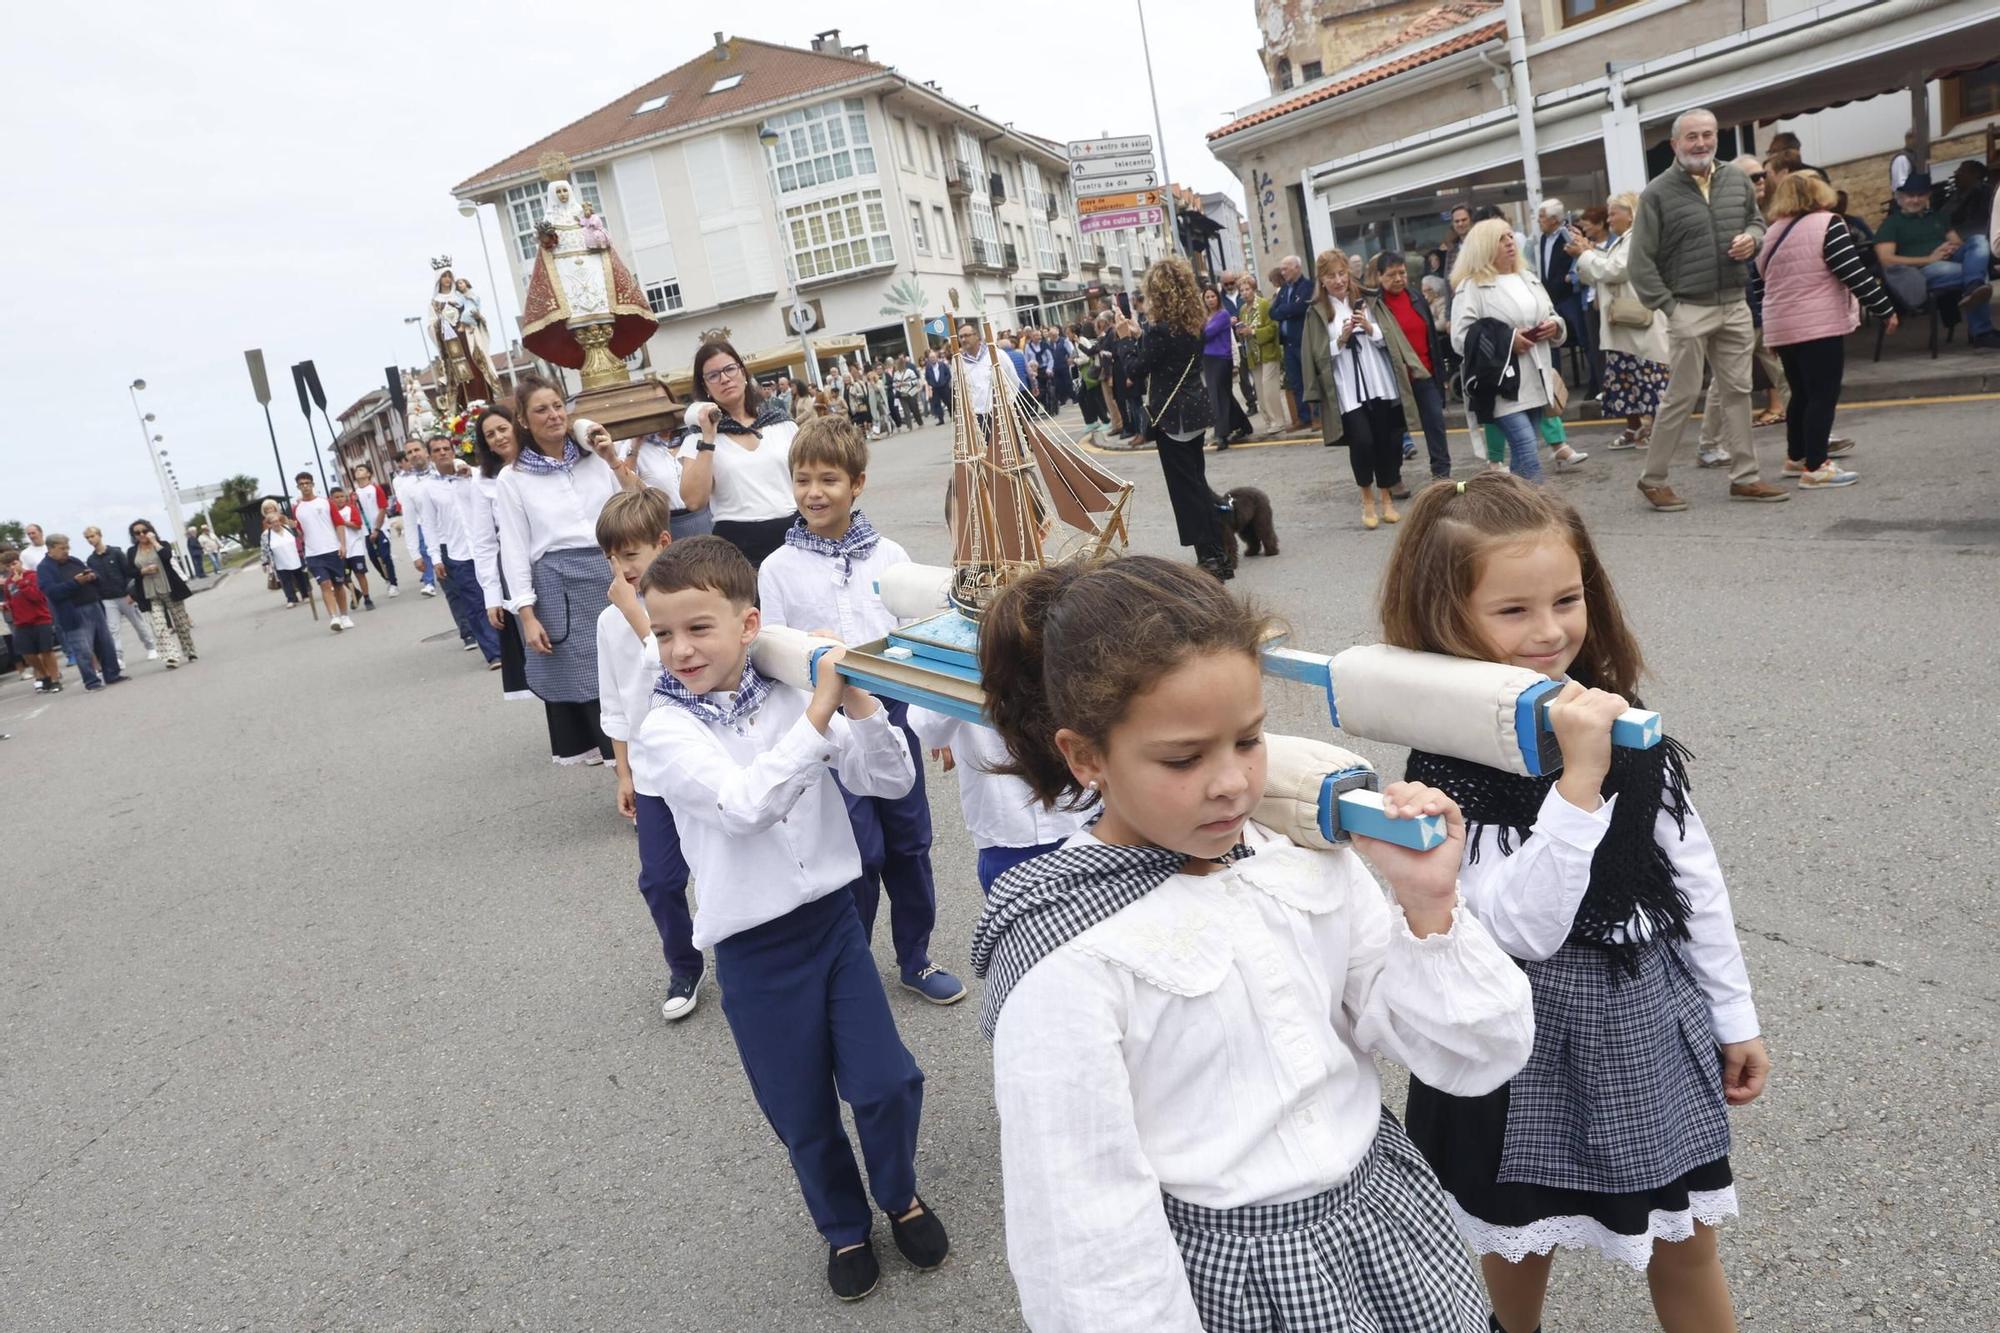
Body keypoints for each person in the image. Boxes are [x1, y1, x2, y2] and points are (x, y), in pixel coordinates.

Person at [974, 555, 1534, 1331]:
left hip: (1390, 1228)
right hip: (1235, 1289)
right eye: (1184, 757)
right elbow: (1084, 1234)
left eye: (1249, 738)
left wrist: (1428, 902)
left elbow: (1476, 1052)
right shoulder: (1066, 956)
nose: (1233, 782)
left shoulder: (1296, 852)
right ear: (1086, 755)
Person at [1380, 473, 1769, 1333]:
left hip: (1640, 1012)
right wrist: (1579, 782)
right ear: (1447, 613)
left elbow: (1693, 877)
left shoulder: (1619, 717)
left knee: (1685, 1238)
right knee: (1518, 1243)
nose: (1550, 629)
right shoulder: (1448, 757)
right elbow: (1524, 926)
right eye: (1512, 610)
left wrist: (1734, 1015)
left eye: (1566, 598)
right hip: (1515, 1030)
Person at [632, 535, 948, 1302]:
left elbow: (888, 776)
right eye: (664, 632)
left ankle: (898, 1192)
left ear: (750, 625)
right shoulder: (665, 729)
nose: (680, 648)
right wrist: (819, 706)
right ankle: (844, 1225)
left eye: (698, 627)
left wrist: (858, 695)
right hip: (753, 949)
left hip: (834, 925)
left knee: (887, 1081)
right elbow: (745, 806)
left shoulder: (788, 692)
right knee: (802, 1112)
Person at [757, 417, 965, 1006]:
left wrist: (935, 719)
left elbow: (920, 637)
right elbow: (770, 651)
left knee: (909, 842)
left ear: (858, 484)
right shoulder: (777, 568)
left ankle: (916, 958)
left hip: (894, 712)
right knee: (860, 849)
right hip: (829, 723)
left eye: (828, 479)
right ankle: (852, 962)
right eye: (802, 480)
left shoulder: (890, 556)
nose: (814, 492)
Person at [1627, 108, 1789, 510]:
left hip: (1734, 302)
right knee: (1681, 396)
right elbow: (1639, 262)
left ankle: (1745, 477)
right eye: (1692, 136)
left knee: (1738, 392)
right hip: (1688, 306)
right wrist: (1670, 307)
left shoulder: (1735, 178)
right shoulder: (1657, 193)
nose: (1701, 143)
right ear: (1675, 144)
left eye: (1708, 135)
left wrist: (1752, 239)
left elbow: (1756, 222)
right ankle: (1653, 479)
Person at [593, 487, 705, 1022]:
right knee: (659, 879)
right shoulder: (608, 620)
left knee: (721, 868)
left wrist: (637, 613)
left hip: (704, 762)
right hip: (653, 773)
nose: (622, 569)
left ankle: (741, 950)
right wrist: (623, 772)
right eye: (612, 558)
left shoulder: (692, 604)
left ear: (663, 543)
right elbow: (615, 701)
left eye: (631, 555)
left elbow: (671, 667)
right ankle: (684, 964)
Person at [494, 375, 640, 767]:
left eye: (558, 406)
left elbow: (634, 505)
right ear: (523, 420)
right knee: (591, 679)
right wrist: (526, 615)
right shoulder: (513, 478)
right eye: (541, 410)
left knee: (634, 663)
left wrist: (611, 458)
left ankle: (650, 768)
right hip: (559, 583)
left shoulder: (594, 457)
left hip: (611, 570)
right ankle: (622, 772)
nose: (553, 415)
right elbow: (514, 549)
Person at [1757, 172, 1896, 488]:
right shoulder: (1828, 224)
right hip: (1817, 323)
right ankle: (1817, 466)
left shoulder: (1770, 232)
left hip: (1781, 324)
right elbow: (1851, 270)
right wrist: (1883, 307)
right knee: (1822, 394)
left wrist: (1769, 328)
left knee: (1801, 393)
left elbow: (1759, 283)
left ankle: (1797, 456)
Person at [1300, 249, 1418, 527]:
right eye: (1331, 276)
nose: (1339, 280)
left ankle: (1386, 500)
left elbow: (1390, 340)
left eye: (1342, 273)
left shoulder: (1368, 300)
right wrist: (1340, 339)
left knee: (1386, 441)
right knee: (1362, 443)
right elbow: (1316, 355)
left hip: (1378, 381)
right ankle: (1367, 501)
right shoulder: (1317, 312)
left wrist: (1369, 327)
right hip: (1347, 388)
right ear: (1322, 280)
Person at [1450, 218, 1569, 484]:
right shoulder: (1471, 287)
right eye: (1500, 239)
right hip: (1500, 384)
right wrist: (1508, 339)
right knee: (1525, 444)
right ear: (1483, 247)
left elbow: (1551, 314)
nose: (1509, 242)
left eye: (1510, 236)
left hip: (1535, 377)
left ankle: (1515, 503)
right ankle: (1536, 503)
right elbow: (1460, 338)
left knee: (1525, 447)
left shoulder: (1528, 278)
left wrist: (1555, 326)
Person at [1131, 257, 1227, 580]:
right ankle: (1219, 552)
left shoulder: (1159, 332)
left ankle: (1210, 559)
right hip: (1195, 411)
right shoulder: (1194, 325)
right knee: (1197, 482)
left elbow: (1136, 369)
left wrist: (1126, 340)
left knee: (1186, 491)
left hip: (1172, 417)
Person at [675, 340, 801, 567]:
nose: (724, 379)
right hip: (738, 546)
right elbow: (694, 500)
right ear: (705, 387)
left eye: (729, 369)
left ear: (743, 372)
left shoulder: (781, 424)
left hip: (794, 535)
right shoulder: (698, 438)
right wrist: (708, 438)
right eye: (713, 375)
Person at [1573, 192, 1671, 451]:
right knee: (1626, 380)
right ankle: (1635, 428)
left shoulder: (1637, 237)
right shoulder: (1622, 240)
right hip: (1623, 323)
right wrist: (1586, 254)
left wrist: (1586, 255)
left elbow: (1614, 270)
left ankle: (1657, 432)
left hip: (1639, 321)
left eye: (1613, 213)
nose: (1609, 219)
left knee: (1648, 378)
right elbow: (1597, 273)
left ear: (1630, 214)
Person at [1874, 172, 1998, 349]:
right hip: (1920, 271)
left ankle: (1974, 289)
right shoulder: (1892, 223)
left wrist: (1949, 247)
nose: (1915, 200)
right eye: (1910, 195)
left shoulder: (1938, 217)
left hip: (1948, 260)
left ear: (1928, 196)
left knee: (1978, 240)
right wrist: (1929, 258)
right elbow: (1886, 259)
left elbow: (1958, 243)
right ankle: (1982, 331)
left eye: (1920, 195)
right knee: (1978, 273)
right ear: (1901, 197)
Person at [416, 438, 502, 667]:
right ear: (430, 456)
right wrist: (435, 558)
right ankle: (494, 653)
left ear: (453, 452)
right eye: (437, 450)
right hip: (458, 553)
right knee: (474, 604)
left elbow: (493, 490)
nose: (442, 453)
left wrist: (471, 473)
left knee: (498, 596)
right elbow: (429, 525)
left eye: (446, 449)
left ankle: (511, 644)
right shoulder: (427, 488)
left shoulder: (472, 475)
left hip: (486, 547)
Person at [1375, 250, 1454, 481]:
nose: (1398, 279)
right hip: (1394, 380)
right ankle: (1393, 478)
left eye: (1402, 273)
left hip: (1424, 373)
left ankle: (1442, 475)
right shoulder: (1375, 305)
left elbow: (1432, 339)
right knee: (1394, 431)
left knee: (1435, 423)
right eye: (1391, 275)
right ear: (1379, 276)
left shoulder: (1416, 298)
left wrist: (1440, 375)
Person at [38, 534, 127, 690]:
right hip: (73, 612)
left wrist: (93, 576)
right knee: (83, 649)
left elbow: (94, 574)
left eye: (67, 547)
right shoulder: (45, 568)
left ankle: (112, 675)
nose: (66, 551)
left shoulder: (74, 561)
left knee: (105, 643)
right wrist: (75, 582)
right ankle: (92, 682)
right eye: (62, 548)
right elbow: (52, 592)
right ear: (51, 549)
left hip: (94, 606)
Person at [1533, 199, 1600, 400]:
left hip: (1570, 296)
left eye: (1542, 216)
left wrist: (1569, 279)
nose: (1539, 220)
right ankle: (1554, 388)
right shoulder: (1543, 238)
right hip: (1550, 298)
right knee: (1551, 341)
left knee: (1585, 339)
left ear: (1554, 219)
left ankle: (1596, 384)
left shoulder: (1568, 235)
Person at [81, 526, 156, 664]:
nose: (90, 540)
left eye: (92, 536)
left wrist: (131, 593)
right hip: (107, 599)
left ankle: (151, 647)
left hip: (124, 595)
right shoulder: (91, 560)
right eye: (87, 538)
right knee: (113, 629)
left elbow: (128, 573)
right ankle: (118, 657)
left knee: (138, 623)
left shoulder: (116, 553)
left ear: (99, 535)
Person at [127, 520, 196, 667]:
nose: (141, 534)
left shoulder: (162, 544)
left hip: (170, 589)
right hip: (150, 593)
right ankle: (171, 657)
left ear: (150, 530)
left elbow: (166, 557)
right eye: (137, 533)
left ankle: (189, 650)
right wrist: (142, 571)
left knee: (181, 624)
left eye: (144, 531)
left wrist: (154, 541)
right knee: (159, 626)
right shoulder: (132, 551)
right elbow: (130, 571)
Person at [293, 472, 356, 631]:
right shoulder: (297, 509)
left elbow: (339, 524)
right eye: (302, 484)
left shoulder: (326, 503)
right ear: (298, 487)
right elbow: (300, 533)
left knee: (339, 585)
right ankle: (334, 618)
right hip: (313, 553)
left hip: (333, 549)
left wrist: (342, 545)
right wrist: (293, 527)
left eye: (307, 483)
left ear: (313, 484)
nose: (305, 486)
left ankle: (344, 615)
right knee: (325, 584)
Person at [0, 546, 62, 691]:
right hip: (21, 622)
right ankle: (44, 674)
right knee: (28, 654)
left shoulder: (32, 576)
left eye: (14, 564)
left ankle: (55, 679)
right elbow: (11, 600)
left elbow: (37, 597)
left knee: (46, 651)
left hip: (40, 619)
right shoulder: (8, 583)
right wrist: (6, 606)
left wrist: (21, 583)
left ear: (20, 562)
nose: (12, 568)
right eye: (8, 566)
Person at [1199, 285, 1254, 448]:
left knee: (1217, 396)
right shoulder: (1204, 317)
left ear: (1218, 298)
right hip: (1208, 359)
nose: (1210, 300)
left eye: (1213, 296)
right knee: (1224, 395)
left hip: (1221, 359)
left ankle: (1221, 434)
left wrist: (1197, 331)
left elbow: (1206, 334)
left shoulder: (1222, 315)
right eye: (1207, 297)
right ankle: (1244, 426)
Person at [1267, 253, 1317, 427]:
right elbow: (1272, 312)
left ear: (1297, 268)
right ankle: (1304, 418)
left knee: (1310, 379)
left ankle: (1317, 416)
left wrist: (1284, 311)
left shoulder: (1307, 285)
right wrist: (1287, 310)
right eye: (1281, 269)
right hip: (1287, 343)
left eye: (1285, 269)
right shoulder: (1284, 290)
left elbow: (1301, 307)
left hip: (1303, 340)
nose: (1282, 272)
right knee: (1296, 382)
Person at [1240, 270, 1287, 434]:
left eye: (1247, 289)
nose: (1245, 293)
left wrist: (1253, 332)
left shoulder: (1264, 305)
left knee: (1269, 389)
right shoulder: (1243, 310)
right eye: (1242, 290)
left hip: (1268, 352)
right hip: (1253, 355)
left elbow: (1273, 328)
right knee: (1260, 392)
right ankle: (1269, 421)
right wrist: (1242, 332)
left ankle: (1279, 421)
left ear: (1254, 289)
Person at [397, 442, 442, 598]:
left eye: (417, 450)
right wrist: (415, 555)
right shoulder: (407, 486)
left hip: (460, 540)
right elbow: (409, 522)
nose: (414, 454)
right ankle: (429, 583)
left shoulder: (443, 472)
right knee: (455, 597)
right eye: (409, 452)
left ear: (426, 451)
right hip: (434, 541)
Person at [349, 463, 400, 597]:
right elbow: (354, 513)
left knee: (385, 556)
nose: (358, 471)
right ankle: (386, 578)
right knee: (373, 558)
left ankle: (393, 583)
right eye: (357, 470)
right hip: (365, 531)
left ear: (368, 474)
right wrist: (354, 502)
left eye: (361, 469)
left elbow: (382, 509)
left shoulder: (375, 489)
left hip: (380, 528)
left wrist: (376, 529)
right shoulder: (354, 494)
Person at [328, 485, 376, 611]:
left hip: (355, 547)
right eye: (336, 497)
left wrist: (342, 522)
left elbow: (357, 525)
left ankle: (367, 598)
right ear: (331, 499)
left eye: (342, 496)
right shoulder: (329, 512)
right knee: (343, 577)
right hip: (339, 548)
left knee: (360, 574)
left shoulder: (351, 509)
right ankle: (355, 592)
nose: (340, 499)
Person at [260, 502, 309, 609]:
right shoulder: (266, 535)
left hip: (295, 557)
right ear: (269, 524)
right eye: (273, 522)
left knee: (300, 578)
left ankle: (305, 595)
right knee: (286, 581)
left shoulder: (288, 528)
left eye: (277, 521)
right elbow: (264, 550)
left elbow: (299, 537)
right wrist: (265, 563)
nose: (276, 524)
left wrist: (295, 528)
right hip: (280, 561)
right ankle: (290, 599)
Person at [923, 351, 951, 425]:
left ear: (936, 357)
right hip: (935, 388)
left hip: (944, 387)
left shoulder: (942, 365)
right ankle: (941, 419)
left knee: (948, 402)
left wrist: (945, 382)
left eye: (934, 357)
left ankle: (952, 415)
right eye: (931, 358)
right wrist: (931, 383)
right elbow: (927, 377)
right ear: (929, 359)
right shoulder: (928, 367)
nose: (932, 359)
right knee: (937, 404)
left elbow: (948, 374)